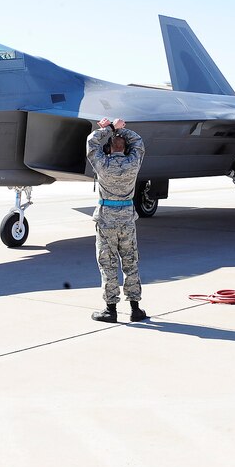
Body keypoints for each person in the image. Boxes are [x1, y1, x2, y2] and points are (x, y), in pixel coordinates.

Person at [86, 117, 147, 323]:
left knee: (108, 263)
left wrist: (108, 128)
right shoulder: (133, 163)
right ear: (126, 149)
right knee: (131, 262)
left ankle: (110, 309)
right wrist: (122, 130)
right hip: (127, 219)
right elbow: (138, 142)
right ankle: (135, 309)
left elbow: (92, 143)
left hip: (106, 220)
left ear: (109, 150)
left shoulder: (103, 164)